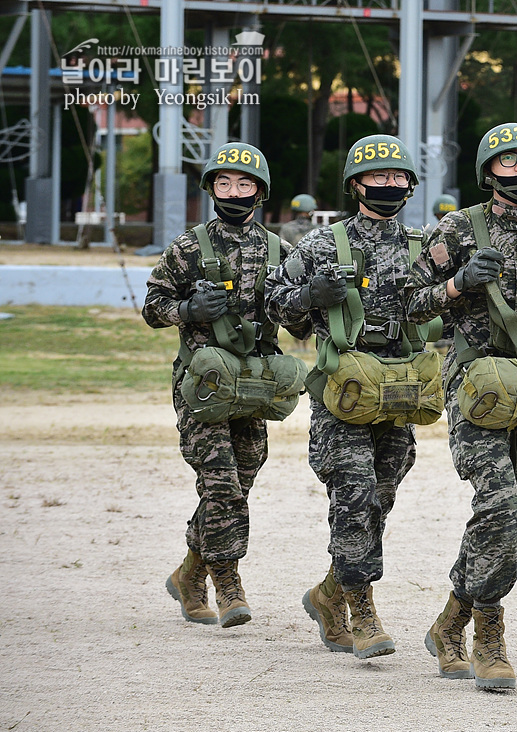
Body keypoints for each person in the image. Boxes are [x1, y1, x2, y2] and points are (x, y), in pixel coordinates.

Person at [405, 122, 517, 690]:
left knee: (511, 521)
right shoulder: (458, 228)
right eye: (507, 162)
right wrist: (457, 283)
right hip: (477, 389)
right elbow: (410, 303)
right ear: (488, 172)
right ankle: (489, 635)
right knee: (500, 507)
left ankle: (449, 620)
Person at [265, 134, 427, 659]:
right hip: (343, 395)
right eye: (377, 177)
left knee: (380, 499)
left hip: (399, 395)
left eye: (398, 177)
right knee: (353, 494)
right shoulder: (318, 246)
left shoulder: (423, 247)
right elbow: (274, 304)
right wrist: (309, 296)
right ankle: (362, 610)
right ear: (355, 184)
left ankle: (328, 594)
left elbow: (446, 307)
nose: (389, 185)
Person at [143, 142, 310, 628]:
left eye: (244, 184)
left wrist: (311, 300)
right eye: (223, 183)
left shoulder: (282, 251)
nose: (233, 191)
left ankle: (189, 573)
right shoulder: (189, 247)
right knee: (220, 484)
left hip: (254, 387)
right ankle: (227, 579)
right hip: (203, 386)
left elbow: (298, 324)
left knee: (241, 479)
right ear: (211, 188)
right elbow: (153, 307)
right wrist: (187, 311)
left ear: (259, 192)